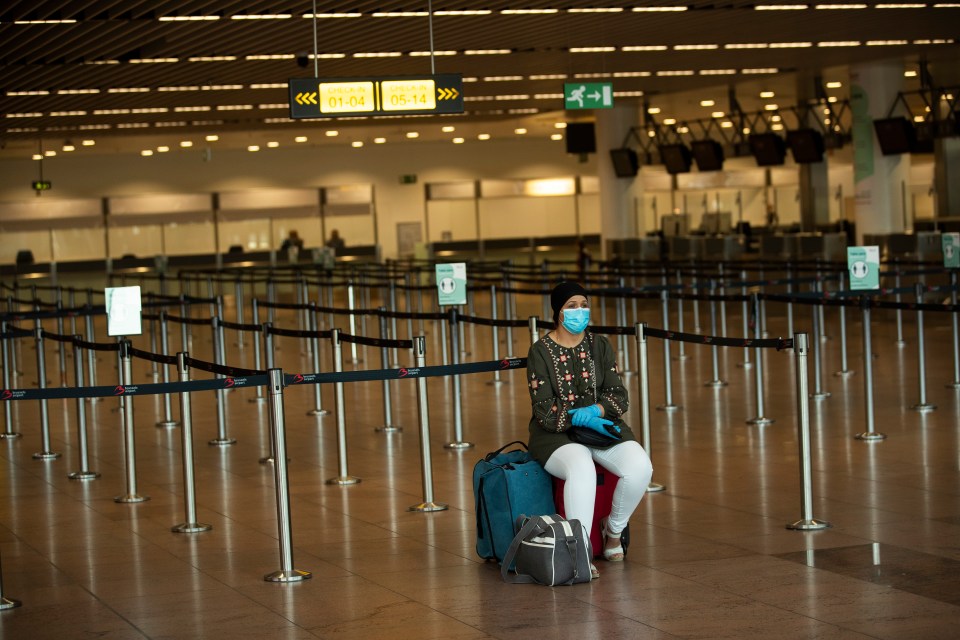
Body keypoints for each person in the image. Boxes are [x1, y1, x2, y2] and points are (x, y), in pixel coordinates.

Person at [526, 281, 653, 579]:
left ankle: (613, 530)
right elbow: (544, 411)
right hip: (555, 435)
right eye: (571, 306)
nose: (579, 311)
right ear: (558, 312)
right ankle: (578, 551)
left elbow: (619, 396)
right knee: (581, 467)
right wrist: (576, 416)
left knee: (640, 467)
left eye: (583, 304)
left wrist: (596, 411)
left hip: (600, 428)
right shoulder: (540, 352)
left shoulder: (600, 345)